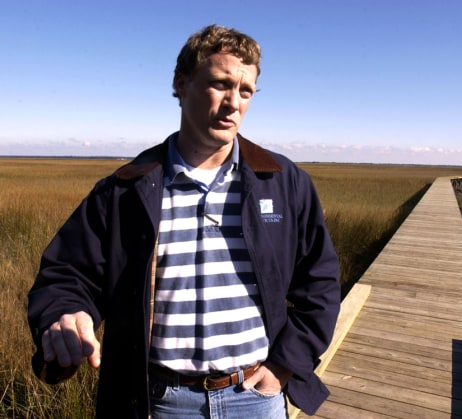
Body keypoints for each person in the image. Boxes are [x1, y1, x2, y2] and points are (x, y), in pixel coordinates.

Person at [27, 24, 340, 418]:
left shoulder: (282, 182)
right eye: (219, 84)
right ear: (181, 83)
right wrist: (65, 314)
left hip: (255, 397)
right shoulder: (127, 189)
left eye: (246, 91)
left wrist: (283, 364)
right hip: (158, 401)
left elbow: (321, 282)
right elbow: (66, 274)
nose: (234, 103)